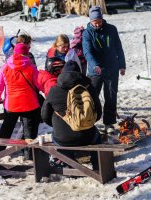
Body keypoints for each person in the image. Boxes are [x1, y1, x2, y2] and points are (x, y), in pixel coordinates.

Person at [41, 60, 102, 169]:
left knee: (58, 136)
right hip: (87, 136)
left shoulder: (54, 90)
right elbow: (98, 113)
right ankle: (98, 165)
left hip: (63, 137)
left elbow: (45, 115)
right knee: (97, 135)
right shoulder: (89, 89)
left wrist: (59, 123)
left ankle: (69, 163)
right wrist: (84, 121)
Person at [82, 6, 126, 134]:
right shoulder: (87, 33)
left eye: (99, 21)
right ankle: (90, 123)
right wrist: (95, 65)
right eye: (94, 21)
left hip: (112, 67)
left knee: (111, 95)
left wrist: (122, 65)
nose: (97, 23)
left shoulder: (111, 29)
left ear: (102, 19)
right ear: (90, 21)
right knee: (92, 97)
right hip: (95, 70)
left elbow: (118, 48)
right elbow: (87, 52)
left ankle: (109, 122)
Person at [0, 43, 41, 152]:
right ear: (26, 53)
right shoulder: (31, 67)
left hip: (11, 105)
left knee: (5, 131)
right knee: (29, 134)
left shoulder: (5, 67)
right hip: (29, 104)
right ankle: (28, 154)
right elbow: (39, 83)